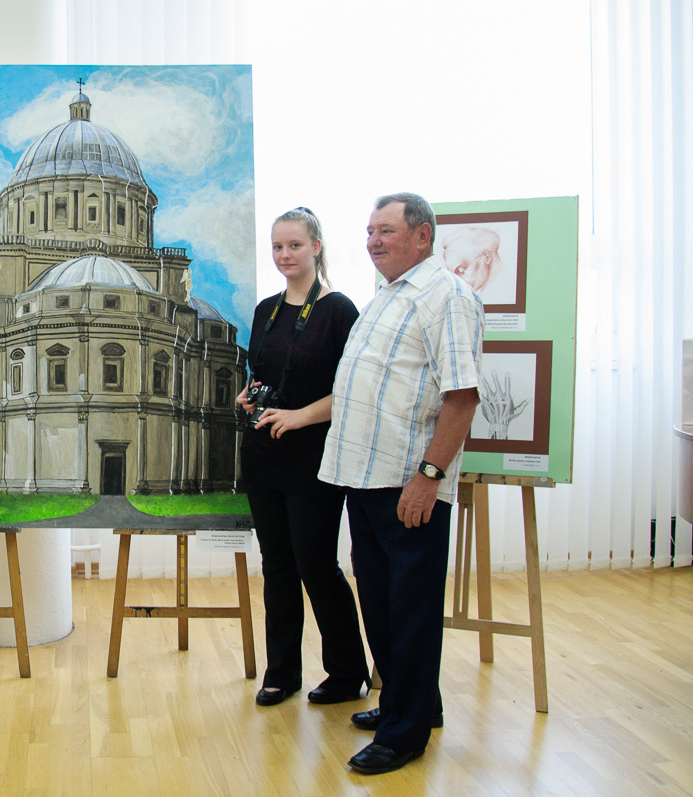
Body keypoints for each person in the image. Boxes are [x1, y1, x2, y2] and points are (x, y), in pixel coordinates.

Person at [320, 193, 483, 774]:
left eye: (386, 230)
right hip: (364, 479)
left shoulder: (447, 297)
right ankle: (410, 703)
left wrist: (430, 478)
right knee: (383, 604)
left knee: (408, 610)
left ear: (423, 236)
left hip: (407, 484)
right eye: (368, 231)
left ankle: (405, 734)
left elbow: (461, 397)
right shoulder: (388, 296)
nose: (373, 241)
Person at [236, 207, 369, 708]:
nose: (285, 255)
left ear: (316, 247)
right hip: (263, 453)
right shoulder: (265, 309)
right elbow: (265, 375)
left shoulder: (338, 310)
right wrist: (248, 398)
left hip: (314, 456)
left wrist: (297, 416)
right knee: (277, 567)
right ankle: (281, 672)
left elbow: (350, 391)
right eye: (277, 247)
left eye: (294, 245)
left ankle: (346, 671)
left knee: (317, 566)